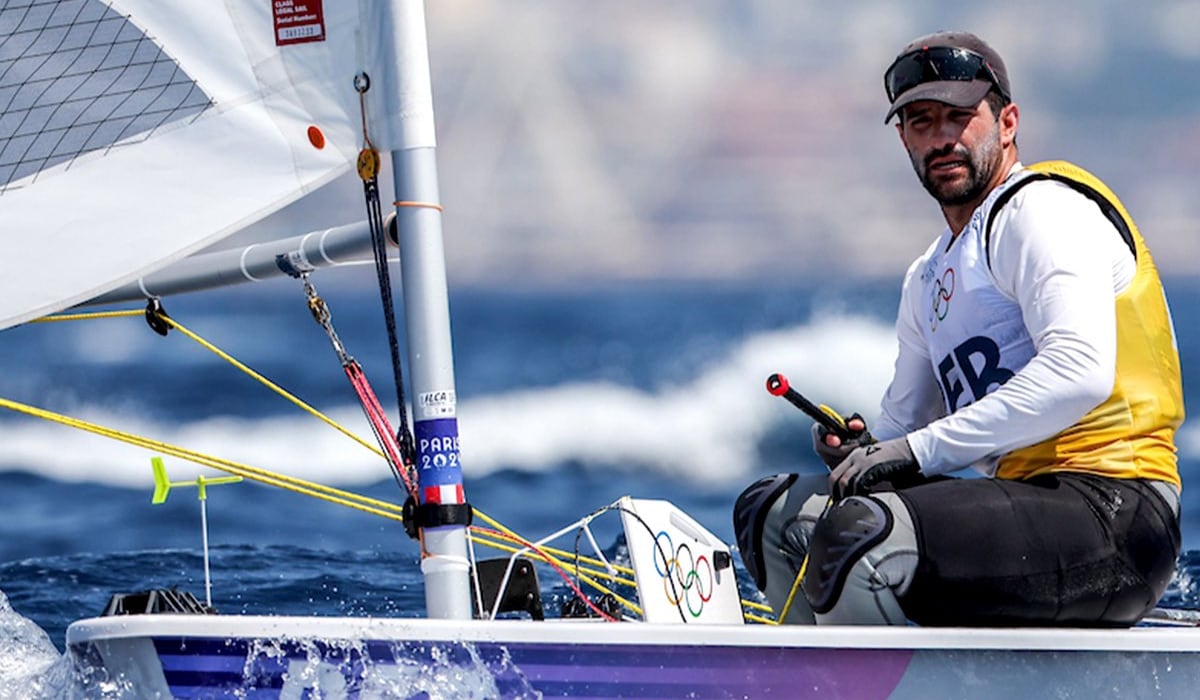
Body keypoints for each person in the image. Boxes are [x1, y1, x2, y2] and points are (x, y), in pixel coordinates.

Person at [733, 31, 1184, 627]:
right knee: (773, 511)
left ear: (1007, 122)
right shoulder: (928, 277)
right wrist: (864, 448)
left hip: (1118, 514)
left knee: (859, 535)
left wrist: (912, 449)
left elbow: (1079, 372)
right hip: (1022, 517)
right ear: (904, 140)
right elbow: (903, 431)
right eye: (921, 122)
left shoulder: (1042, 212)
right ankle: (805, 671)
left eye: (959, 117)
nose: (942, 137)